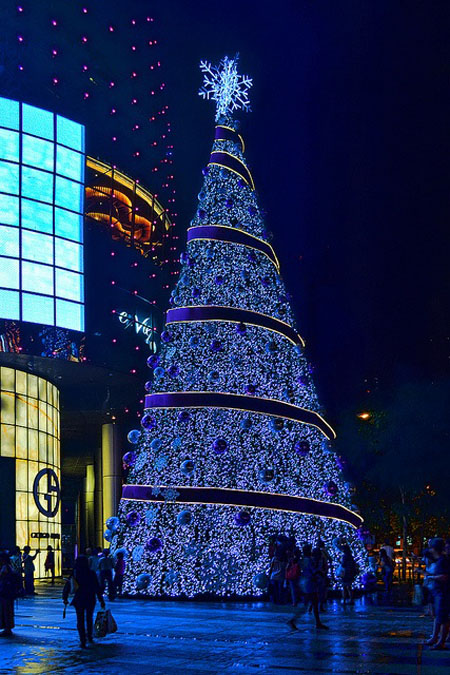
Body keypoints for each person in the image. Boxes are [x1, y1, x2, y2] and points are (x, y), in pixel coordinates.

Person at [63, 555, 105, 648]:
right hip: (90, 598)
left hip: (79, 598)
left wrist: (65, 597)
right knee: (89, 618)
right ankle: (89, 636)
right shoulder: (91, 573)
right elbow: (96, 587)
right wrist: (101, 600)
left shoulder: (75, 573)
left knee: (80, 619)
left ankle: (82, 639)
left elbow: (68, 585)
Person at [288, 543, 328, 631]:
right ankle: (293, 620)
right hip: (309, 584)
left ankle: (318, 622)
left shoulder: (302, 560)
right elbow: (313, 571)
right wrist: (321, 574)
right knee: (309, 604)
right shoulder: (309, 560)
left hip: (305, 583)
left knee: (312, 603)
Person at [423, 538, 450, 650]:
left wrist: (431, 577)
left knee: (443, 618)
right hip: (438, 592)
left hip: (442, 592)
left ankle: (441, 642)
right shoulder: (440, 560)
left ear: (434, 549)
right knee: (438, 616)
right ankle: (435, 638)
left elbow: (445, 577)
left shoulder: (443, 561)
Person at [0, 553, 16, 636]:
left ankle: (7, 628)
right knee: (8, 610)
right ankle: (7, 627)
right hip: (9, 593)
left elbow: (3, 578)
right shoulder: (10, 566)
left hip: (5, 592)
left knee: (6, 610)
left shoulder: (5, 568)